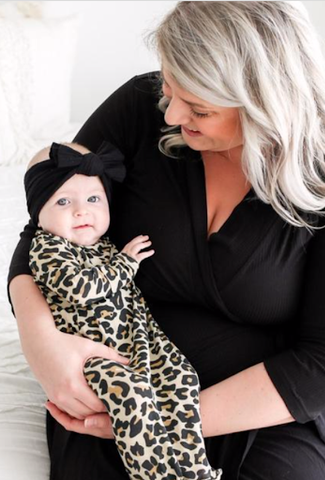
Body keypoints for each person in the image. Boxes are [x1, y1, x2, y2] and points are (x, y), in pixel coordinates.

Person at [8, 2, 325, 479]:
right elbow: (43, 228)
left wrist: (157, 426)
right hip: (127, 378)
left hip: (276, 408)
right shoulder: (142, 107)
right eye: (170, 87)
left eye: (199, 107)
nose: (173, 113)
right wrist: (42, 341)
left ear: (265, 101)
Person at [24, 140, 222, 480]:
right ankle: (158, 476)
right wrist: (125, 264)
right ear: (38, 213)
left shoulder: (103, 244)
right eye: (62, 201)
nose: (81, 211)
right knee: (135, 398)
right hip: (94, 355)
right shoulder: (46, 249)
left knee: (182, 378)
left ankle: (192, 469)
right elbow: (82, 288)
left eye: (93, 199)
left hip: (140, 339)